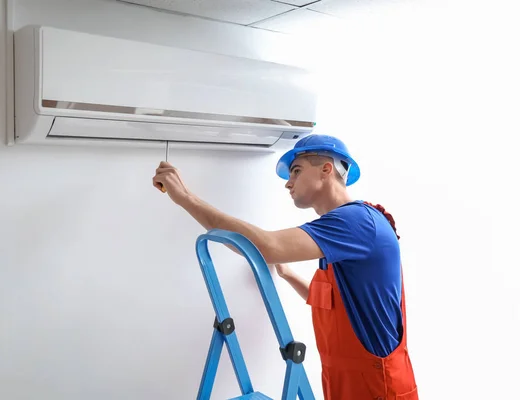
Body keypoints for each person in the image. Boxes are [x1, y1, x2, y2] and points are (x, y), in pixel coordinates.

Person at [152, 134, 418, 400]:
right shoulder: (340, 237)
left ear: (326, 169)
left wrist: (185, 197)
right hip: (347, 383)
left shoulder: (356, 221)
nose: (288, 183)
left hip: (377, 387)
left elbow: (265, 246)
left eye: (296, 170)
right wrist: (287, 274)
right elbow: (328, 301)